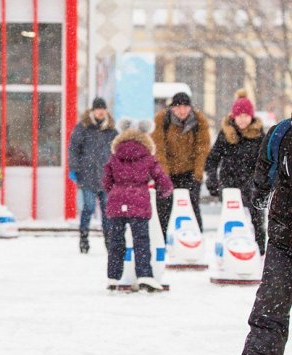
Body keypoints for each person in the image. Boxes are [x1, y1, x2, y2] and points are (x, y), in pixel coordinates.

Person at [234, 114, 292, 355]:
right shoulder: (281, 133)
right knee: (272, 297)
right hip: (285, 232)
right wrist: (259, 195)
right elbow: (263, 171)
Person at [102, 119, 173, 292]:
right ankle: (144, 276)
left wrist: (117, 190)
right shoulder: (148, 157)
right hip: (138, 202)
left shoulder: (115, 156)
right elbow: (161, 178)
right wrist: (165, 191)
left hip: (117, 204)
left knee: (116, 241)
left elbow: (106, 181)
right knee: (141, 240)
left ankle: (113, 278)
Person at [204, 89, 266, 254]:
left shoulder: (259, 135)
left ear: (251, 117)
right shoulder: (226, 134)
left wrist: (264, 182)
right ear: (234, 116)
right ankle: (228, 251)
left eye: (246, 116)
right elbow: (212, 159)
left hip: (252, 185)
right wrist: (212, 180)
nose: (243, 120)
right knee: (231, 220)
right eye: (240, 116)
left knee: (257, 221)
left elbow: (266, 161)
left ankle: (260, 253)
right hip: (230, 184)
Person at [151, 92, 211, 234]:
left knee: (192, 205)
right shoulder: (161, 120)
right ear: (172, 108)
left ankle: (196, 236)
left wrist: (197, 175)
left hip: (189, 172)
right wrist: (164, 176)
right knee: (164, 206)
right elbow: (159, 149)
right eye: (178, 107)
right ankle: (163, 239)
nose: (182, 110)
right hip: (168, 172)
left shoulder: (199, 121)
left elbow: (202, 149)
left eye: (185, 107)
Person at [69, 97, 118, 253]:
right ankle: (83, 238)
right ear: (93, 110)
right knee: (88, 207)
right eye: (97, 109)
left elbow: (118, 152)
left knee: (107, 211)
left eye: (102, 109)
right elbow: (74, 149)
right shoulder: (83, 128)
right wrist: (75, 169)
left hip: (106, 178)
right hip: (87, 175)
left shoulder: (112, 131)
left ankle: (109, 242)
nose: (100, 112)